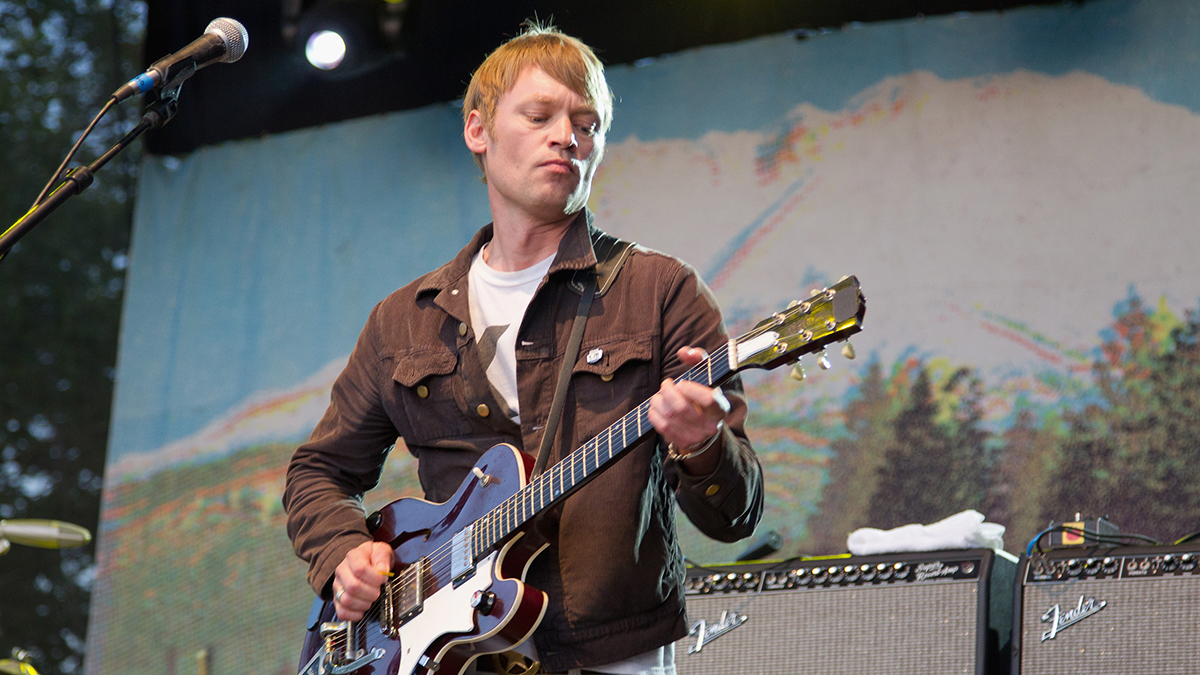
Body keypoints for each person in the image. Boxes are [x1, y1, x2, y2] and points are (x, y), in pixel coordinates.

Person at [283, 23, 763, 675]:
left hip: (611, 654)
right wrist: (344, 551)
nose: (567, 136)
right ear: (478, 131)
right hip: (444, 654)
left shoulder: (660, 291)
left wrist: (703, 443)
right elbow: (318, 471)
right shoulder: (403, 321)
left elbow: (737, 515)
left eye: (587, 125)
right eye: (539, 115)